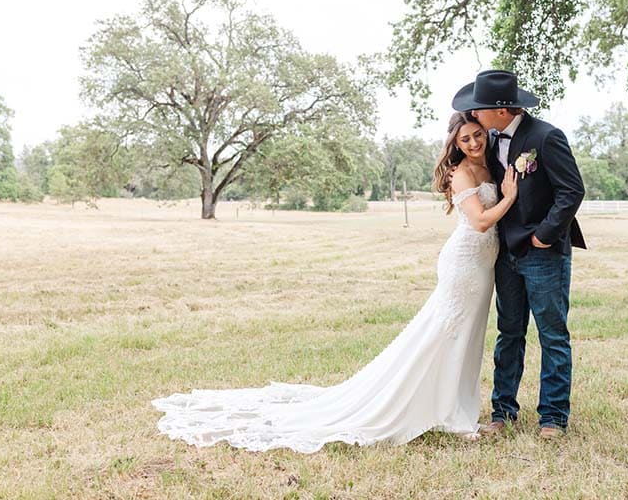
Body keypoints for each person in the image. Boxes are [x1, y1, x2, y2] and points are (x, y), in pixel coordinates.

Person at [152, 112, 518, 453]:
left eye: (477, 135)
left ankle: (456, 406)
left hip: (484, 266)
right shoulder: (461, 174)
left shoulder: (489, 165)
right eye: (465, 139)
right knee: (446, 335)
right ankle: (444, 412)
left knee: (468, 337)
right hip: (464, 264)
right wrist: (510, 197)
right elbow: (480, 221)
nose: (473, 143)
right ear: (455, 143)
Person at [452, 69, 586, 439]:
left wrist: (544, 235)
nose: (473, 115)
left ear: (500, 110)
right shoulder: (489, 139)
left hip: (544, 254)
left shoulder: (546, 137)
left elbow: (572, 191)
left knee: (552, 335)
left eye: (478, 109)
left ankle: (553, 418)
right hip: (505, 254)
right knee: (509, 332)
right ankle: (503, 412)